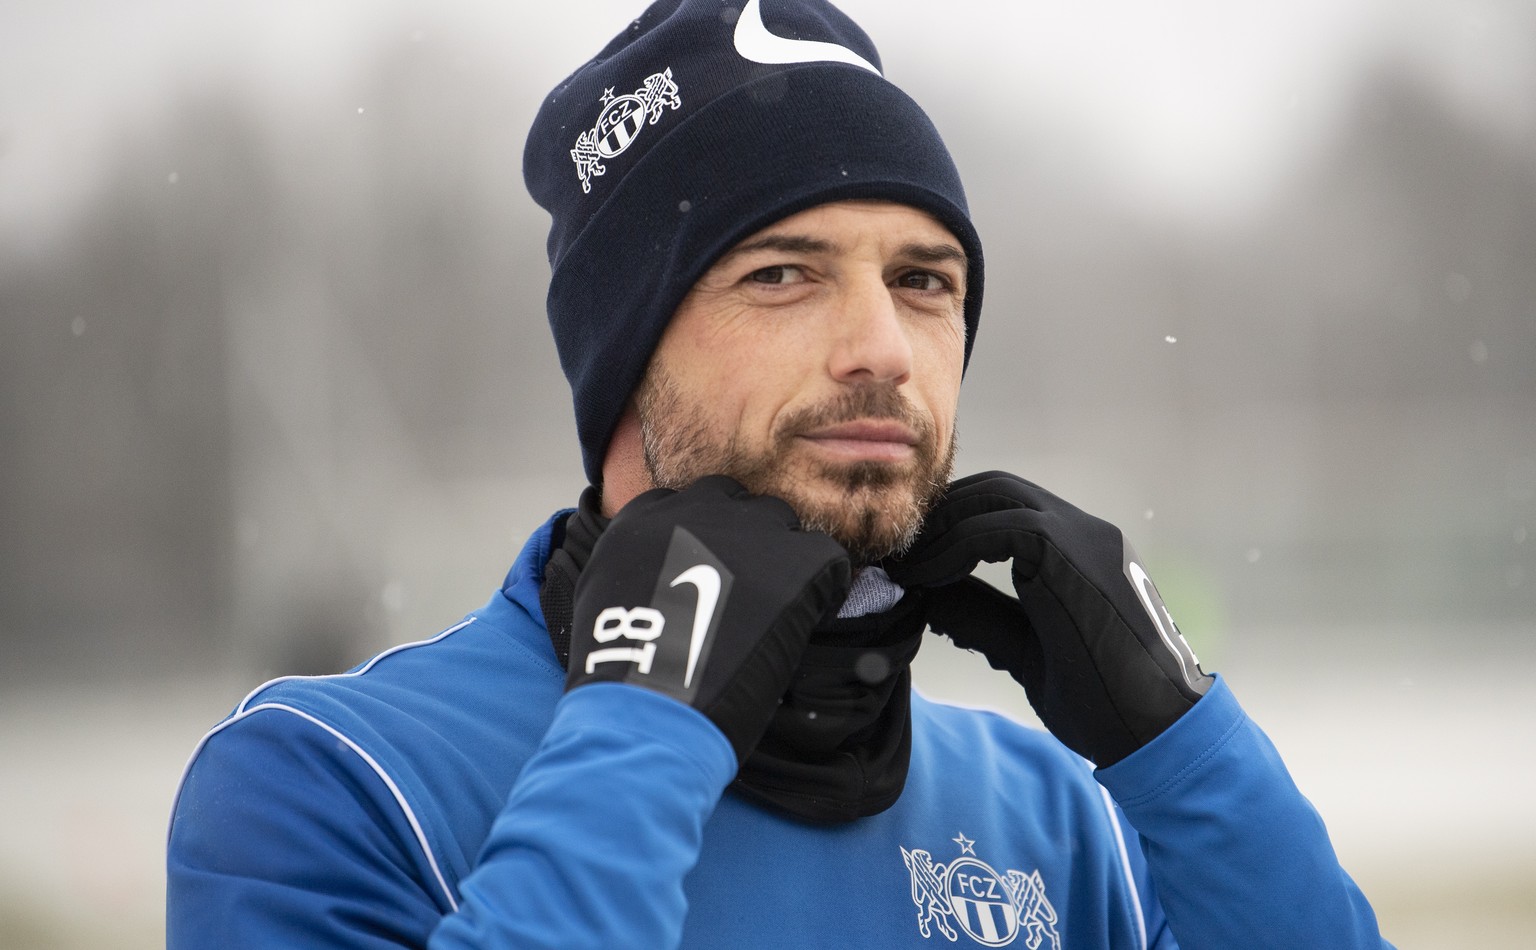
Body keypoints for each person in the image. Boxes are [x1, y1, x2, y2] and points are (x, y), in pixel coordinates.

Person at [167, 1, 1394, 947]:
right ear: (626, 354)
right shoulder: (328, 781)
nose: (881, 350)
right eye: (782, 274)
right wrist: (644, 728)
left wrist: (1189, 747)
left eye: (924, 281)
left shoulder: (1065, 820)